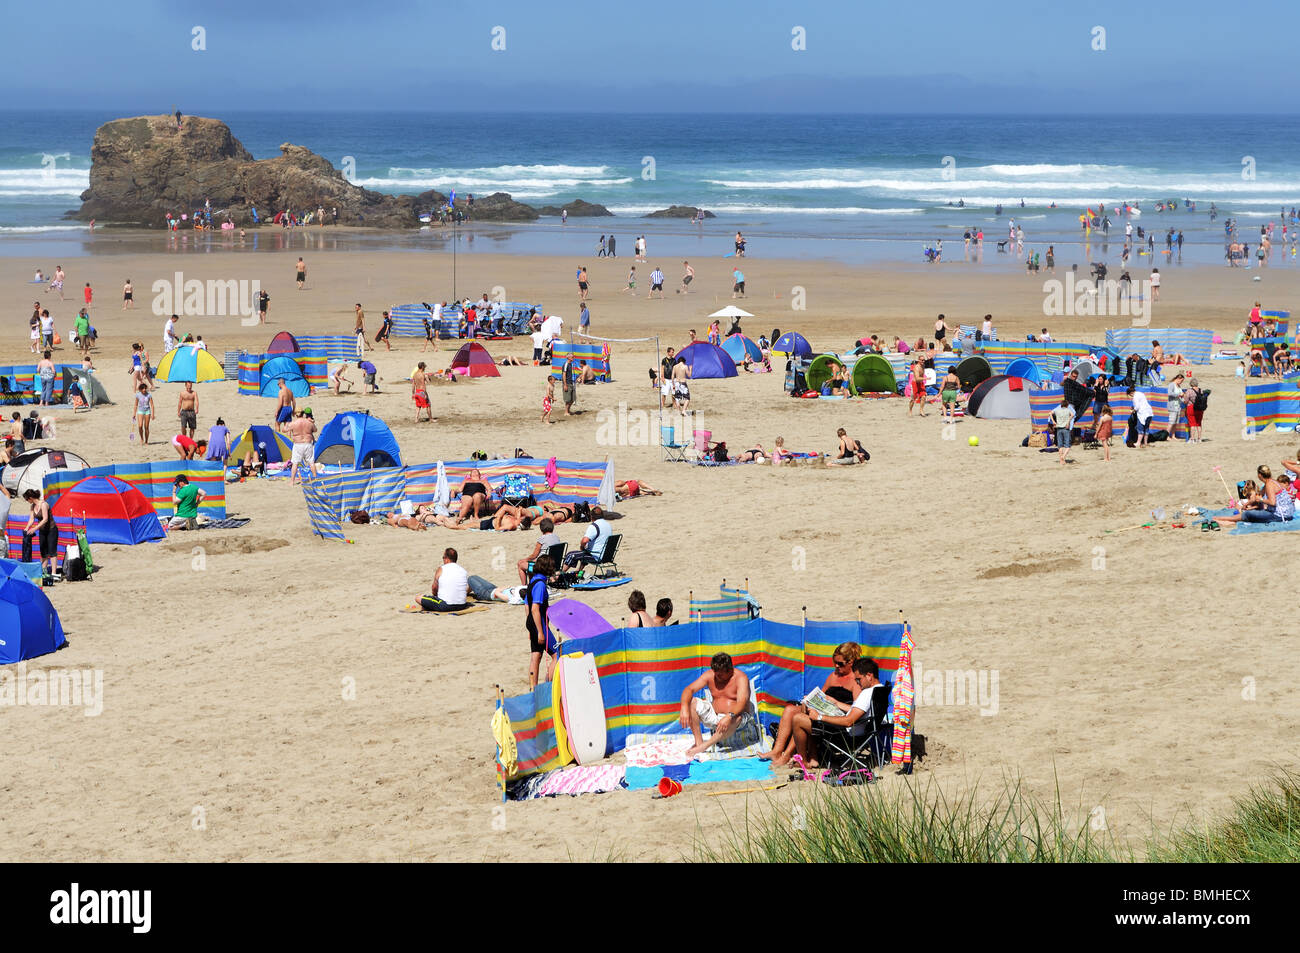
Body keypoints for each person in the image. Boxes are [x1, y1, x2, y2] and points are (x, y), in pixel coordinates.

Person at [760, 642, 862, 766]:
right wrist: (810, 699)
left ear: (850, 662)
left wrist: (835, 703)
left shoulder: (856, 680)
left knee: (799, 718)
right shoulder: (834, 675)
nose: (836, 666)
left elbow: (855, 710)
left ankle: (789, 754)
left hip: (836, 721)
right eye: (834, 662)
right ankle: (777, 751)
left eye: (840, 664)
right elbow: (821, 694)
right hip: (822, 712)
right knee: (790, 710)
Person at [788, 658, 889, 769]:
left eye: (859, 679)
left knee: (798, 718)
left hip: (846, 736)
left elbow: (848, 721)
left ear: (869, 675)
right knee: (808, 714)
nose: (857, 683)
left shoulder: (867, 693)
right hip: (862, 732)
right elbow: (857, 711)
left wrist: (820, 717)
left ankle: (804, 762)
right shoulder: (880, 690)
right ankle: (813, 758)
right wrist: (835, 702)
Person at [679, 653, 756, 758]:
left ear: (729, 670)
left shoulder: (740, 678)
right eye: (715, 673)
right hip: (715, 716)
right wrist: (684, 708)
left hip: (736, 716)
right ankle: (699, 743)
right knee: (691, 702)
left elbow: (742, 702)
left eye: (720, 675)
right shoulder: (710, 675)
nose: (717, 677)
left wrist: (729, 716)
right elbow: (689, 689)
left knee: (737, 717)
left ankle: (704, 746)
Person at [525, 554, 557, 687]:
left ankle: (534, 688)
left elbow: (526, 604)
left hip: (532, 622)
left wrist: (530, 627)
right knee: (557, 654)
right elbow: (534, 608)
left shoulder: (532, 581)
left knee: (536, 655)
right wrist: (539, 631)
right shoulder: (540, 585)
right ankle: (548, 684)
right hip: (539, 624)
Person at [22, 489, 59, 582]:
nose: (27, 502)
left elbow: (45, 519)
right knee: (43, 552)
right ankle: (43, 572)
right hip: (42, 531)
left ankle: (54, 574)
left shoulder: (43, 504)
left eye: (27, 500)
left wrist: (34, 528)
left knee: (52, 552)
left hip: (51, 530)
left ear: (30, 498)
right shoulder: (32, 506)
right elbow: (31, 519)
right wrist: (27, 527)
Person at [422, 548, 471, 612]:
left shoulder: (441, 569)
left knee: (418, 598)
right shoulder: (463, 570)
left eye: (443, 557)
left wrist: (435, 597)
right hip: (462, 605)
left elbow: (434, 588)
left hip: (446, 605)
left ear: (447, 559)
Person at [516, 518, 563, 584]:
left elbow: (534, 555)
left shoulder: (542, 539)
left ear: (541, 529)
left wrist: (525, 559)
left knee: (520, 564)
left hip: (543, 567)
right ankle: (532, 583)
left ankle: (524, 585)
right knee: (531, 562)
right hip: (553, 565)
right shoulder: (556, 537)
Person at [286, 410, 317, 485]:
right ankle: (315, 479)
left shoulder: (293, 423)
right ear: (303, 414)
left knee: (295, 463)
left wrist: (287, 424)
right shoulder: (309, 422)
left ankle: (292, 481)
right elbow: (315, 430)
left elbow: (284, 430)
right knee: (311, 462)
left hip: (298, 444)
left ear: (295, 415)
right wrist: (312, 422)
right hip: (308, 443)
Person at [1050, 397, 1076, 464]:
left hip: (1058, 429)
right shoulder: (1068, 410)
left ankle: (1062, 460)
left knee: (1060, 445)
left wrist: (1053, 421)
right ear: (1067, 405)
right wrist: (1068, 421)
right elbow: (1073, 415)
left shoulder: (1057, 410)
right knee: (1068, 446)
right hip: (1065, 429)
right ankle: (1063, 457)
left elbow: (1050, 413)